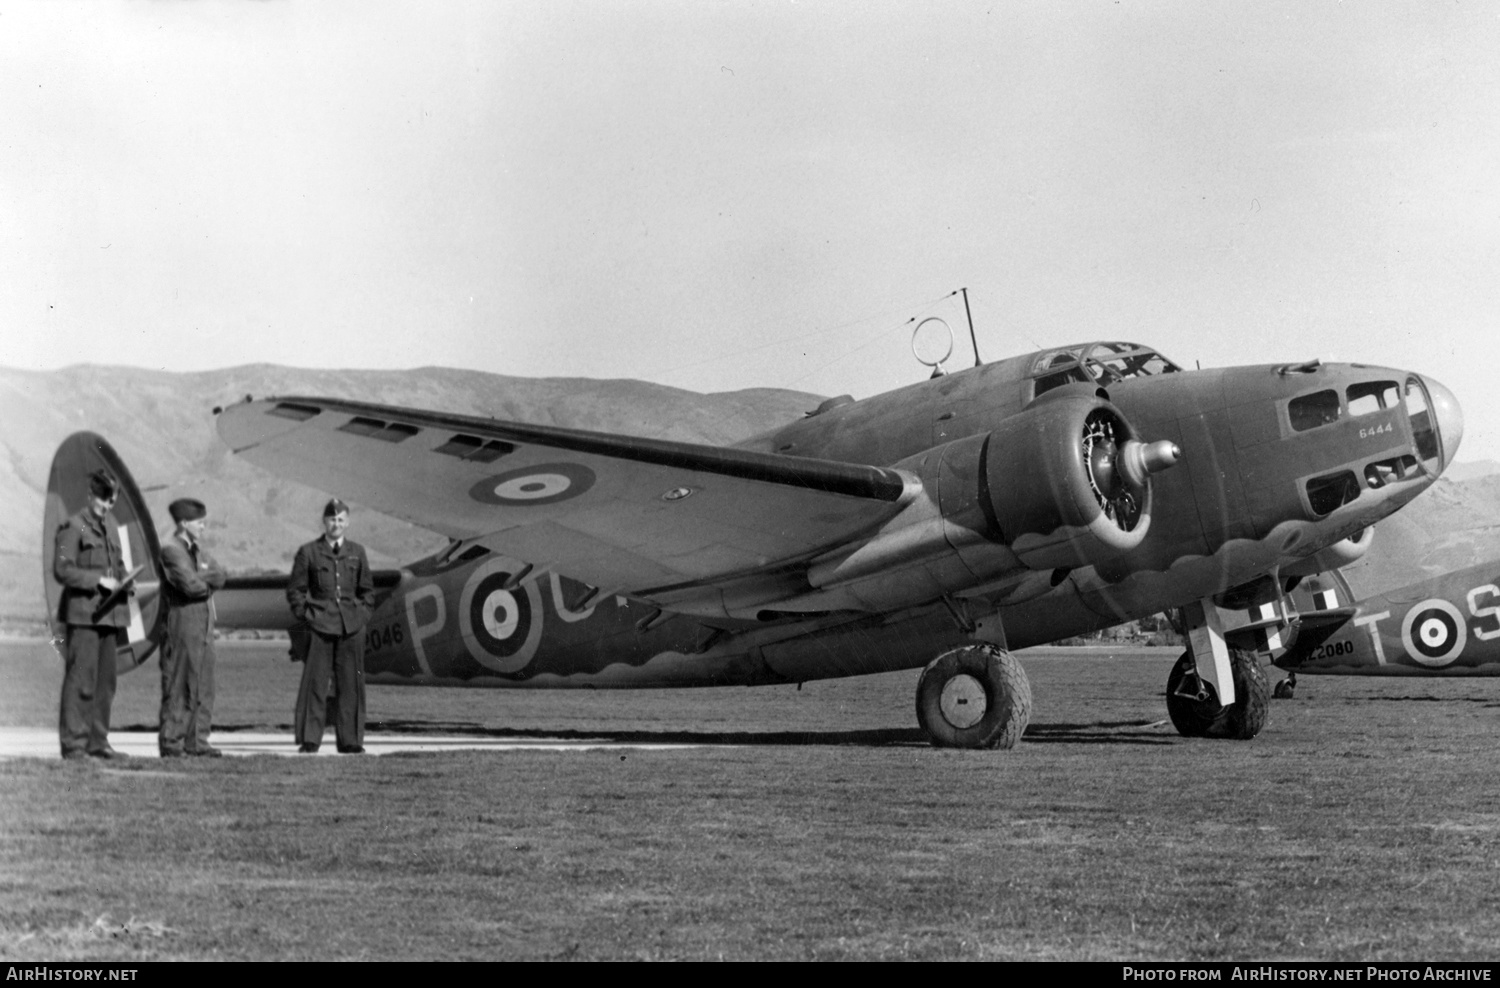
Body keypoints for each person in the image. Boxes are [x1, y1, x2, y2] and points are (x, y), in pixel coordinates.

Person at [52, 470, 133, 760]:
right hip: (84, 616)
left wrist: (126, 580)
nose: (106, 506)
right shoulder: (73, 527)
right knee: (81, 681)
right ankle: (74, 745)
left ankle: (97, 742)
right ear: (90, 495)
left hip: (109, 616)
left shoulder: (111, 527)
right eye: (102, 499)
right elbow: (62, 569)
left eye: (111, 501)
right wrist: (98, 581)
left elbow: (118, 564)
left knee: (105, 684)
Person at [286, 498, 375, 754]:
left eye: (340, 519)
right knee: (315, 683)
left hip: (351, 626)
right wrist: (307, 615)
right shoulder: (309, 552)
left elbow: (367, 590)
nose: (335, 524)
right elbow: (296, 590)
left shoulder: (357, 552)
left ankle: (351, 741)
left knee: (351, 684)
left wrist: (362, 615)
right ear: (324, 522)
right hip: (320, 624)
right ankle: (310, 739)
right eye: (331, 519)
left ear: (346, 522)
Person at [158, 497, 227, 758]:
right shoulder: (171, 550)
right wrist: (206, 580)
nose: (203, 528)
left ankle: (197, 741)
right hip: (182, 625)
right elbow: (189, 585)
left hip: (204, 625)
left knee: (204, 686)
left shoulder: (197, 551)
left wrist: (203, 578)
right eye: (199, 523)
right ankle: (173, 742)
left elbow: (221, 574)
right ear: (184, 523)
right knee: (181, 684)